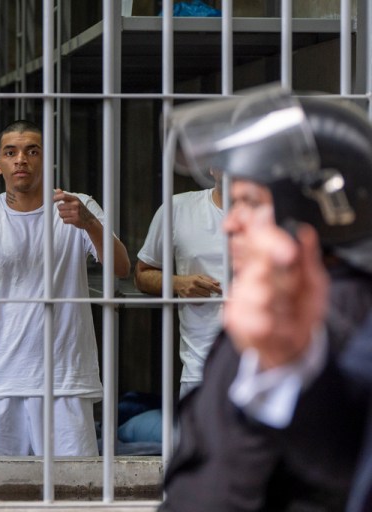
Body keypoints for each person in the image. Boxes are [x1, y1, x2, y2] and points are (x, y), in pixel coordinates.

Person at [161, 91, 372, 510]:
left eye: (250, 202)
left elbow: (337, 470)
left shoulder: (347, 318)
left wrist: (293, 363)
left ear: (314, 210)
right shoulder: (271, 310)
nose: (230, 224)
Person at [0, 119, 131, 456]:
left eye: (32, 151)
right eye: (11, 153)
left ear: (46, 159)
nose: (21, 159)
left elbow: (122, 268)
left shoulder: (76, 206)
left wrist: (90, 223)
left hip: (64, 382)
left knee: (73, 487)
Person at [135, 168, 224, 397]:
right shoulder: (179, 208)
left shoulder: (277, 212)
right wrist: (177, 283)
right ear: (210, 167)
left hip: (268, 366)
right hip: (201, 367)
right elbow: (142, 274)